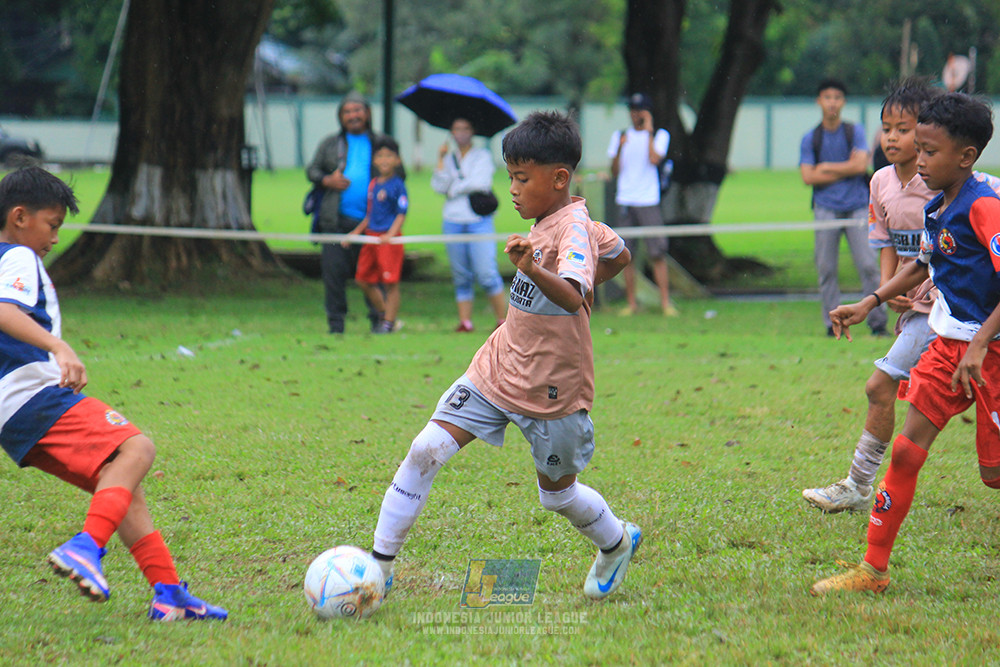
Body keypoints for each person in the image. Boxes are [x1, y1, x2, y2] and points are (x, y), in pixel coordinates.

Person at [368, 111, 640, 600]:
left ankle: (617, 542)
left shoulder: (572, 230)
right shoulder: (565, 218)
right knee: (424, 450)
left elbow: (574, 296)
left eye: (521, 177)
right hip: (497, 368)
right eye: (509, 176)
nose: (511, 188)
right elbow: (620, 253)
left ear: (559, 178)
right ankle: (379, 568)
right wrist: (539, 295)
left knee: (557, 495)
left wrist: (534, 271)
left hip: (552, 389)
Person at [0, 167, 226, 621]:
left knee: (120, 484)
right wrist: (58, 346)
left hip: (12, 412)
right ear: (20, 216)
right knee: (137, 447)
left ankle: (169, 594)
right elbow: (4, 310)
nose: (56, 237)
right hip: (32, 394)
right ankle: (86, 547)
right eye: (53, 224)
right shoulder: (19, 257)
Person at [811, 93, 1000, 595]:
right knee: (905, 454)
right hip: (948, 347)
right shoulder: (939, 206)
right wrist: (869, 301)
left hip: (992, 355)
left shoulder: (985, 206)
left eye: (929, 152)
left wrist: (982, 342)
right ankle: (872, 572)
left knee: (994, 475)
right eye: (917, 148)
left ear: (966, 156)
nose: (918, 160)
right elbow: (924, 265)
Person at [802, 82, 942, 513]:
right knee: (901, 395)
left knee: (882, 386)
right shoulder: (880, 181)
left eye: (903, 128)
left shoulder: (942, 182)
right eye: (886, 128)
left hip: (947, 309)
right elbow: (886, 242)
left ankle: (860, 486)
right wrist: (886, 293)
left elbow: (940, 255)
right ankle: (866, 488)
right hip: (914, 307)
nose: (892, 137)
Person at [800, 79, 887, 337]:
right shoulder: (811, 138)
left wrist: (825, 167)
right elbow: (807, 177)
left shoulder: (854, 131)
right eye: (827, 97)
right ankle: (832, 323)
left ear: (843, 101)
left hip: (858, 207)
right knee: (826, 268)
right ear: (819, 101)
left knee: (868, 266)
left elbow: (860, 167)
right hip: (825, 208)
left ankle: (878, 323)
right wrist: (844, 168)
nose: (832, 102)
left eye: (837, 97)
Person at [306, 91, 384, 334]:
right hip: (335, 222)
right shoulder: (330, 143)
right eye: (347, 112)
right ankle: (336, 325)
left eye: (357, 110)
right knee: (333, 276)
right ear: (340, 117)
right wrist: (328, 180)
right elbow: (312, 170)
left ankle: (379, 321)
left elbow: (398, 174)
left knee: (372, 275)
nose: (353, 115)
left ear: (368, 113)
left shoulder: (381, 143)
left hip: (372, 223)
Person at [431, 117, 508, 333]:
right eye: (457, 129)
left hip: (477, 219)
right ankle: (465, 321)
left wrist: (455, 188)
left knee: (486, 272)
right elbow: (438, 185)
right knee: (461, 274)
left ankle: (502, 320)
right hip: (452, 220)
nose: (461, 133)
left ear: (472, 131)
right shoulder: (448, 156)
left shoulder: (482, 156)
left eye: (465, 128)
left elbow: (481, 183)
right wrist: (440, 159)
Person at [607, 93, 675, 316]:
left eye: (640, 110)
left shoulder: (659, 136)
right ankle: (632, 303)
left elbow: (654, 159)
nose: (635, 114)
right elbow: (614, 171)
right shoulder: (620, 136)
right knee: (627, 255)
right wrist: (619, 149)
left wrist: (648, 132)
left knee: (657, 252)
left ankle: (665, 302)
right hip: (626, 199)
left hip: (648, 200)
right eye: (633, 110)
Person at [342, 136, 408, 334]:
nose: (385, 160)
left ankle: (388, 323)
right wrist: (354, 234)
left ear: (397, 160)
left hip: (388, 240)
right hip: (371, 238)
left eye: (389, 155)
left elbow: (401, 213)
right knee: (363, 279)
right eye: (380, 156)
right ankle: (386, 315)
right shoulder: (373, 184)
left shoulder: (397, 185)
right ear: (374, 160)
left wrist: (390, 234)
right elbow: (369, 215)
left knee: (390, 283)